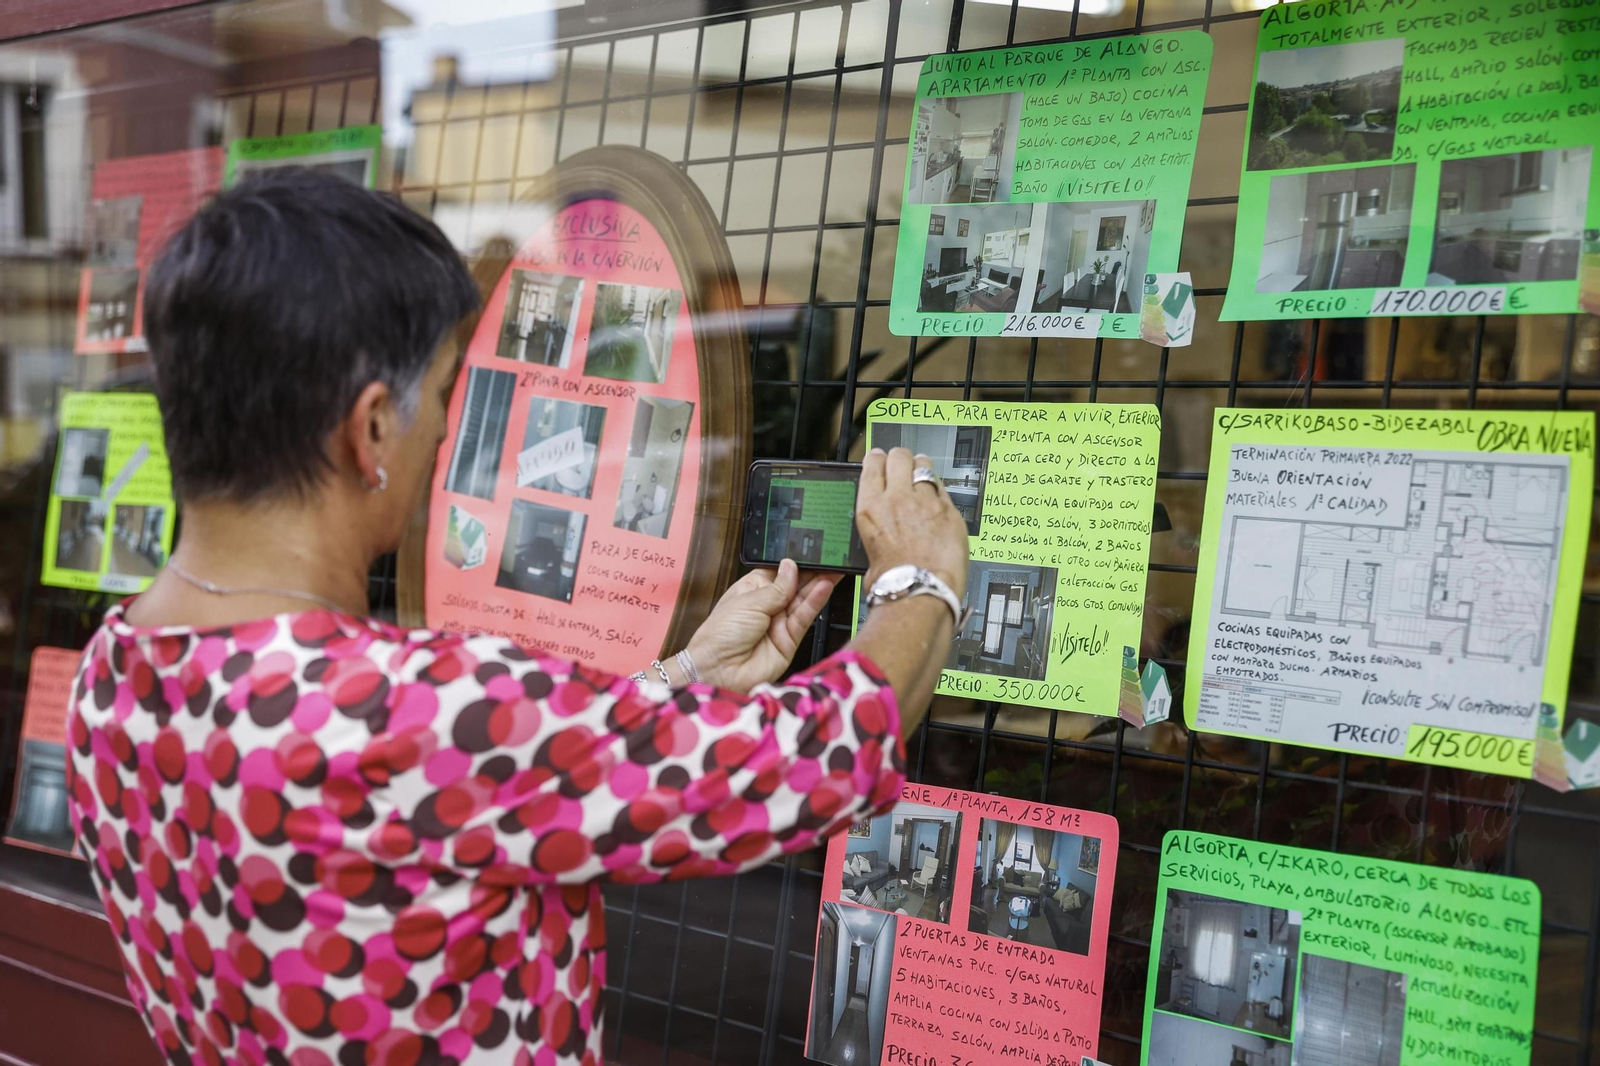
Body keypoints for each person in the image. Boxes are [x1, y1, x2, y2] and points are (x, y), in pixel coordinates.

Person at [65, 168, 971, 1066]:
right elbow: (825, 758)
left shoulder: (110, 674)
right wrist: (917, 579)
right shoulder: (407, 707)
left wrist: (684, 674)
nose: (454, 427)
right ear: (372, 428)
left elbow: (476, 793)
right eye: (449, 388)